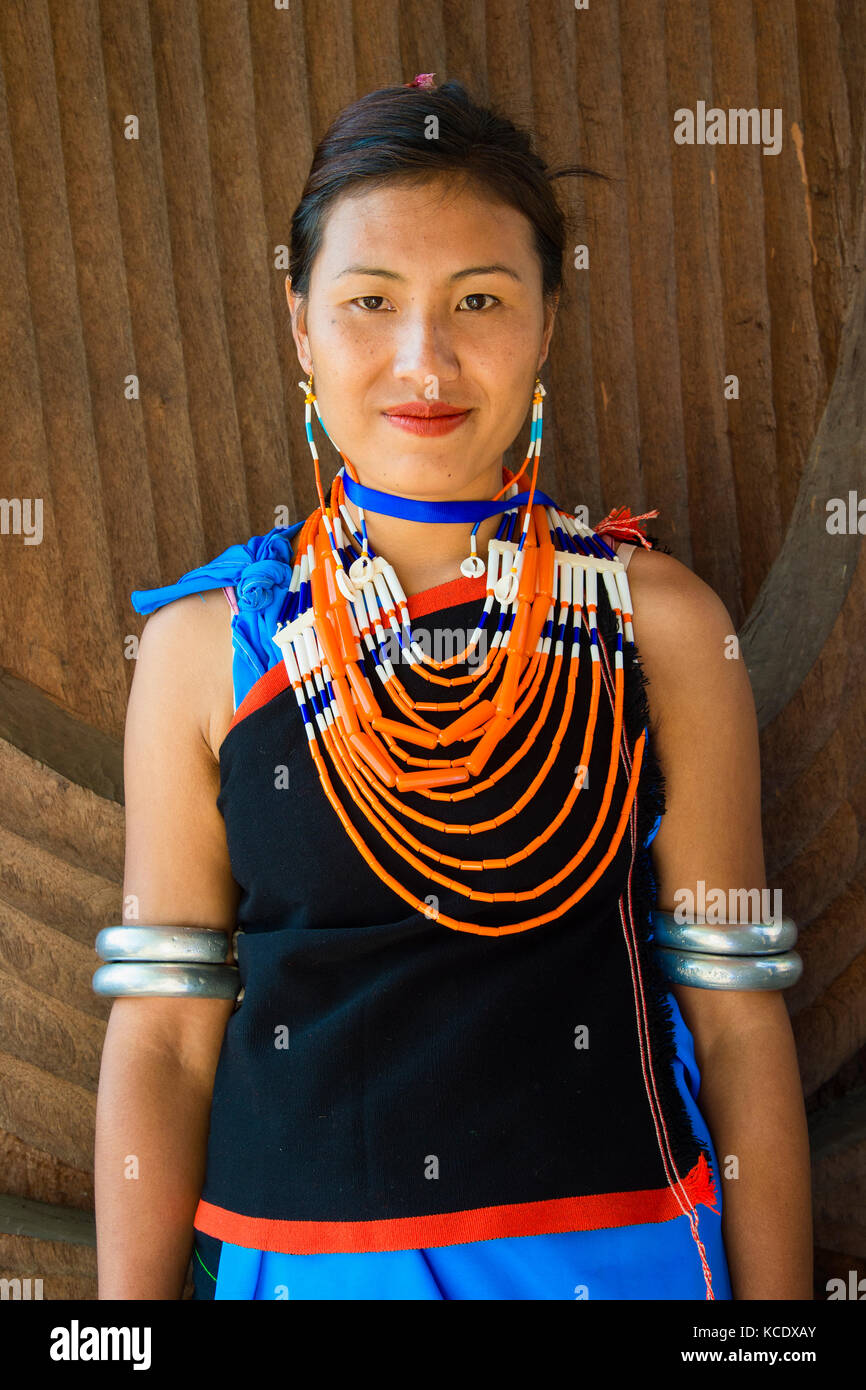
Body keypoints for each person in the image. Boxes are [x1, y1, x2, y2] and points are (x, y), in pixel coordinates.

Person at [93, 77, 812, 1301]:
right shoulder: (210, 649)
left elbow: (735, 1015)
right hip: (311, 1275)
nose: (423, 358)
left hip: (619, 1254)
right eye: (369, 301)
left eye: (478, 299)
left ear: (545, 327)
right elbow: (163, 1031)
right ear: (300, 326)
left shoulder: (658, 628)